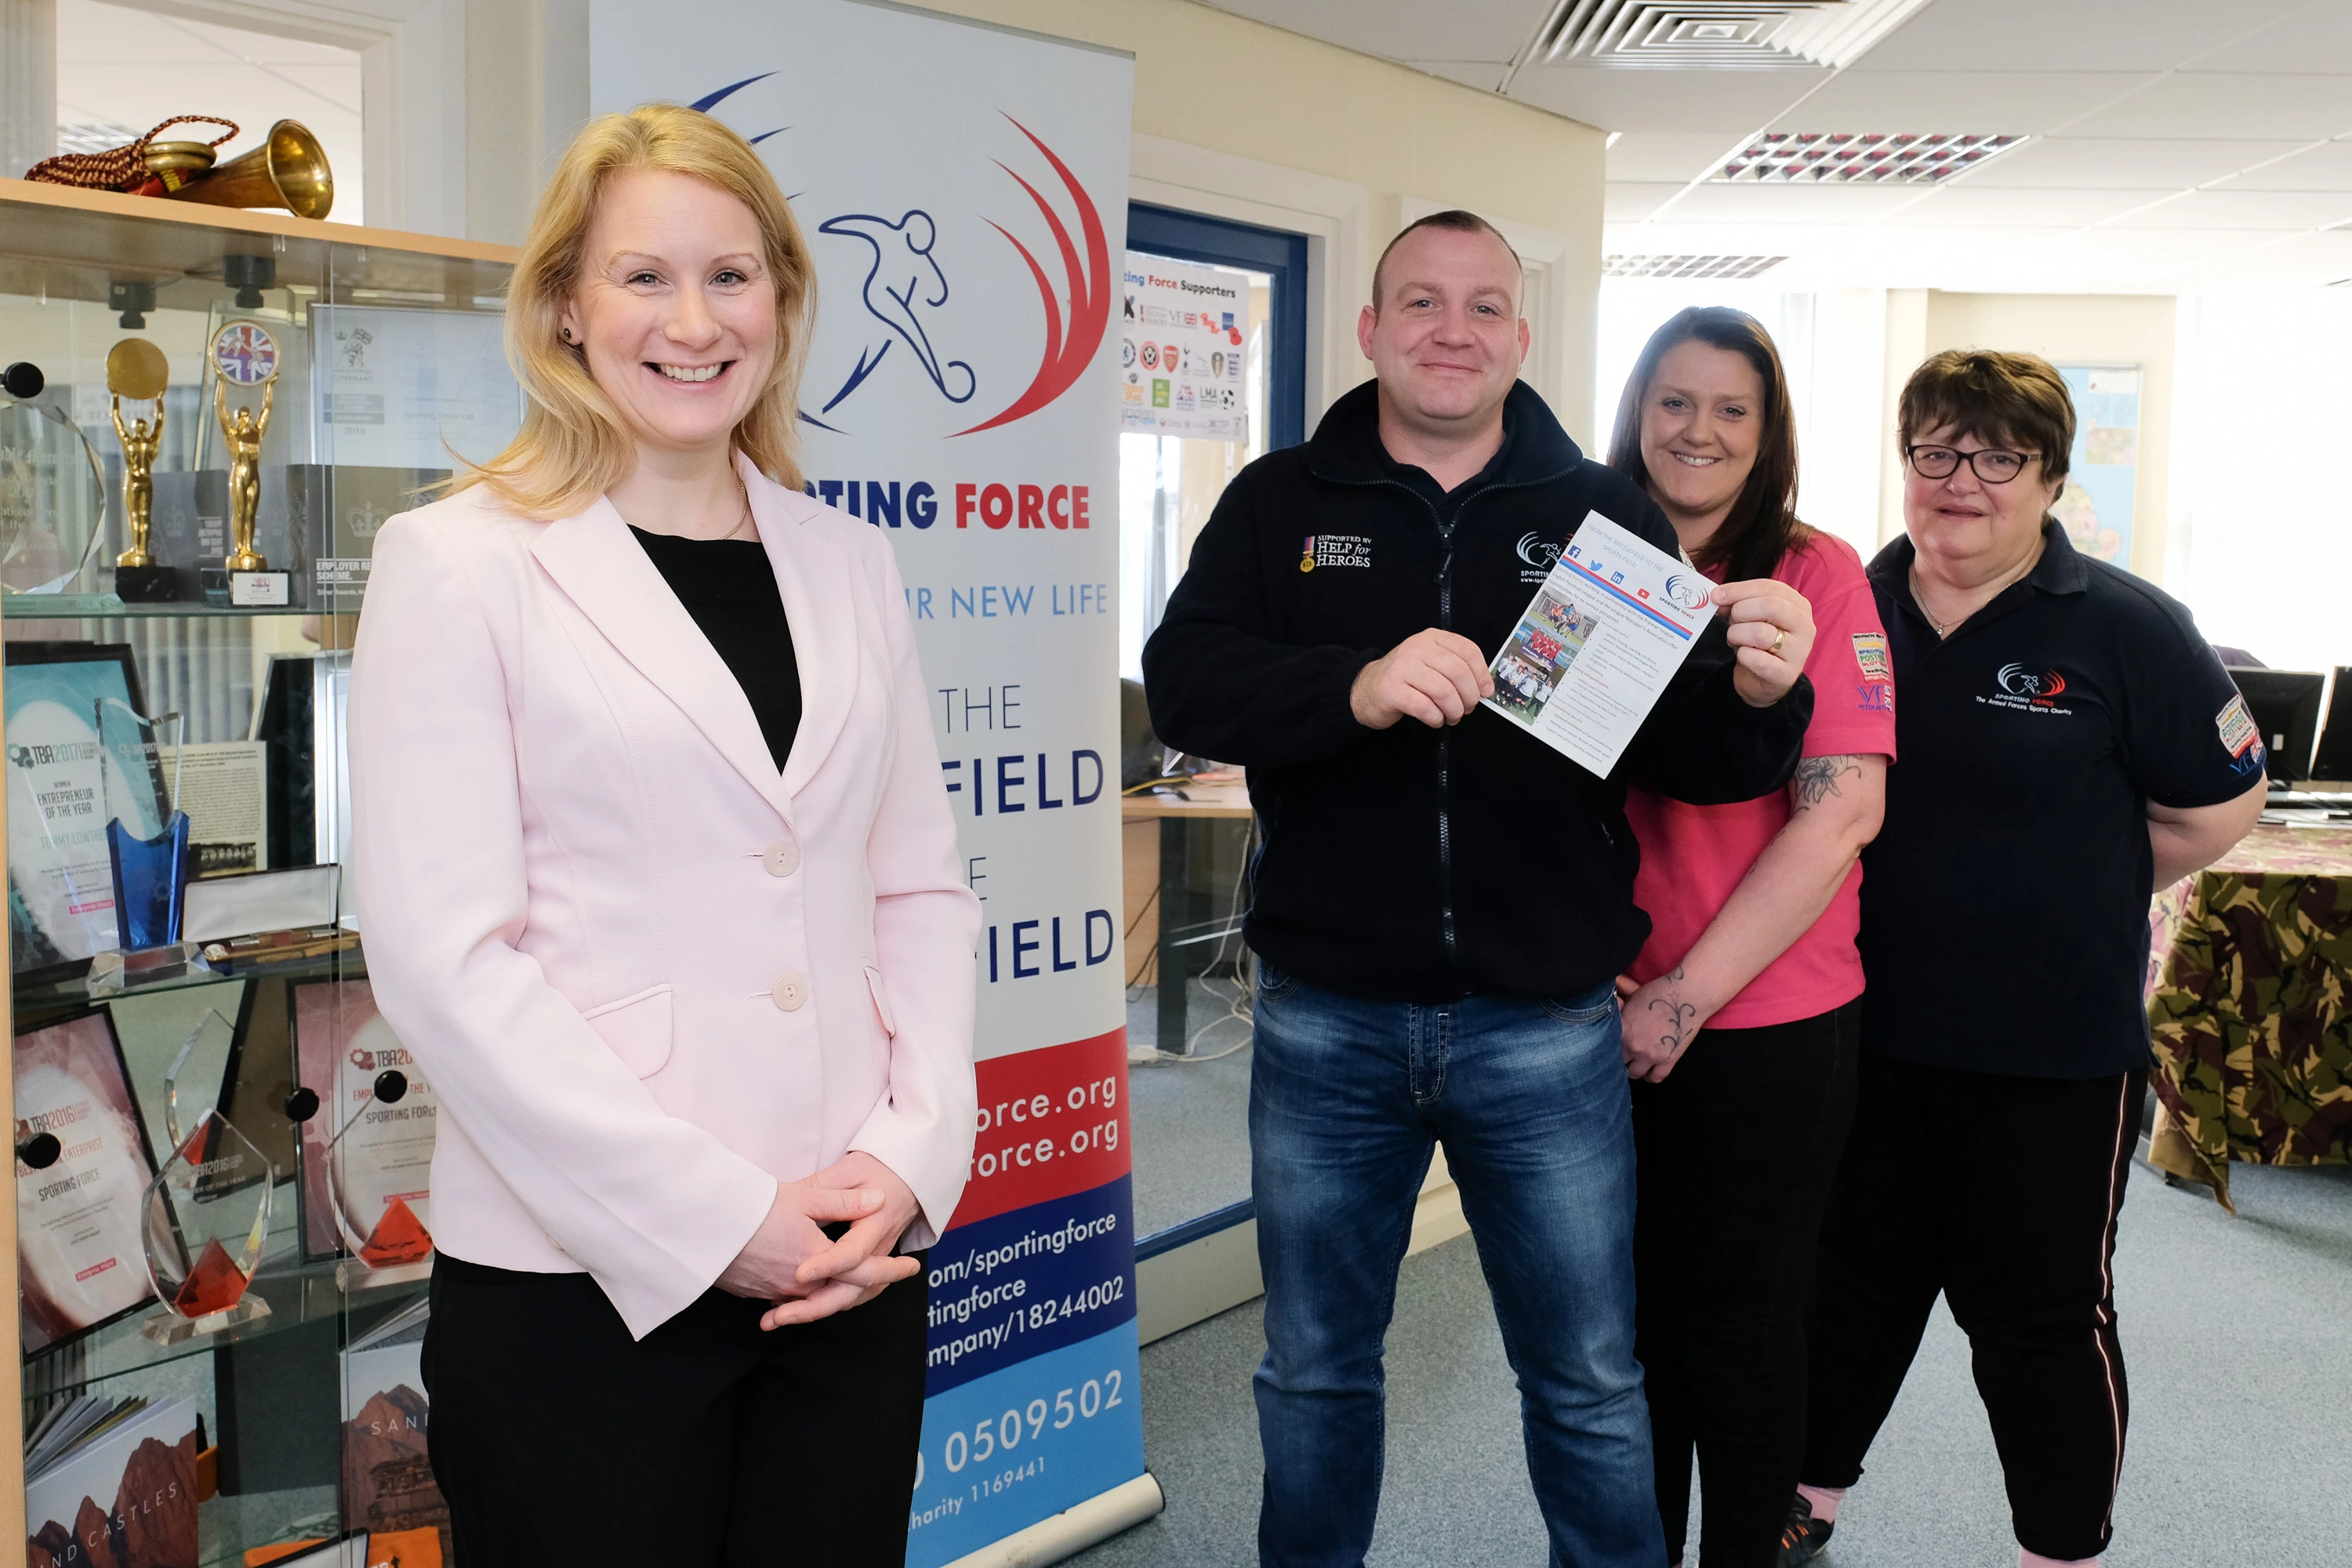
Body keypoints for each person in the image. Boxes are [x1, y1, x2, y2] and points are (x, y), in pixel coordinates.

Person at [347, 105, 979, 1567]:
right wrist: (713, 1217)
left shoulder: (849, 560)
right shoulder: (458, 561)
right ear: (566, 304)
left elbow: (921, 888)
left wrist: (912, 1156)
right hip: (583, 1283)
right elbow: (444, 959)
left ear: (784, 300)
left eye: (732, 276)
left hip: (846, 1257)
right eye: (643, 277)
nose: (692, 322)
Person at [1142, 210, 1821, 1568]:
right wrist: (1355, 684)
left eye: (1484, 307)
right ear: (1371, 329)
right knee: (1315, 1371)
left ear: (1521, 334)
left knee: (1587, 1381)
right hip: (1328, 1021)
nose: (1452, 331)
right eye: (1420, 303)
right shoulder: (1282, 503)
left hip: (1547, 1026)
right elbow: (1187, 679)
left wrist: (1761, 692)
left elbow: (1685, 751)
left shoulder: (1599, 514)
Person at [1780, 350, 2267, 1568]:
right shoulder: (1850, 601)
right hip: (1860, 1029)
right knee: (1848, 1292)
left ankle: (2059, 1548)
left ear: (2049, 476)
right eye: (1936, 450)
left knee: (2039, 1321)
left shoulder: (2127, 625)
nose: (1962, 480)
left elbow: (2221, 806)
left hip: (2050, 1051)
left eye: (1998, 456)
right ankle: (1807, 1500)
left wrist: (2084, 881)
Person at [1606, 309, 1894, 1568]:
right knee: (1624, 1334)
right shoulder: (1588, 556)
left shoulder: (1819, 575)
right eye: (1675, 402)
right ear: (1637, 411)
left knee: (1744, 1324)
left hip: (1765, 1020)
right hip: (1590, 1012)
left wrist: (1679, 997)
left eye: (1733, 409)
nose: (1699, 432)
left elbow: (1841, 820)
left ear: (1768, 430)